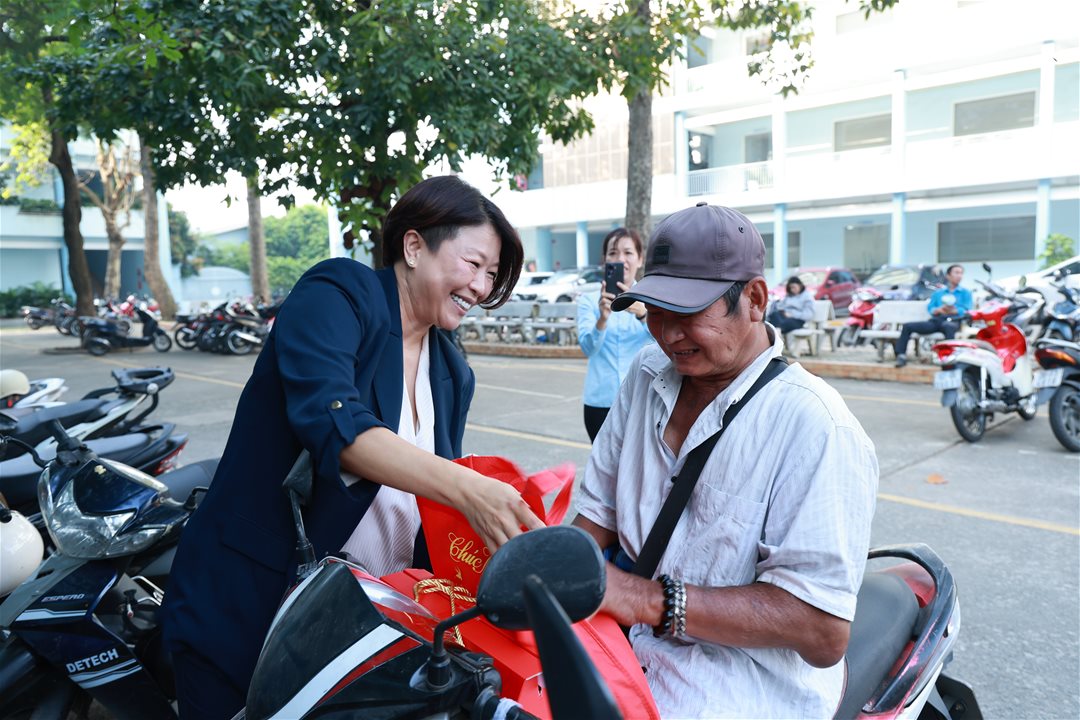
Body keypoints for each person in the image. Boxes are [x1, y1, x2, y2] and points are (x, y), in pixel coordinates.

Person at [161, 176, 544, 720]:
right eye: (473, 263)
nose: (481, 287)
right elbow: (334, 423)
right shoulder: (340, 294)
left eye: (491, 274)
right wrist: (468, 489)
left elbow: (425, 509)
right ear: (414, 246)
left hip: (354, 631)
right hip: (248, 603)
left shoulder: (452, 371)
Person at [571, 202, 878, 719]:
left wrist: (645, 600)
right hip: (624, 655)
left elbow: (823, 630)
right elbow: (596, 513)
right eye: (656, 311)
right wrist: (554, 566)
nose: (667, 334)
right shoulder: (646, 374)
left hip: (738, 689)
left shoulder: (818, 427)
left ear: (754, 299)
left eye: (688, 314)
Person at [577, 227, 655, 441]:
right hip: (600, 401)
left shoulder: (652, 299)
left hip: (641, 400)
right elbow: (587, 349)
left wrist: (644, 315)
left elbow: (665, 345)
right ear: (605, 260)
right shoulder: (589, 301)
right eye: (613, 253)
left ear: (640, 259)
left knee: (640, 461)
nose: (621, 259)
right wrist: (602, 319)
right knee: (601, 461)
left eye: (628, 252)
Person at [894, 264, 971, 368]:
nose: (959, 276)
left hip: (953, 321)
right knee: (908, 326)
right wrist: (937, 310)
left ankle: (948, 359)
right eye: (956, 273)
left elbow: (967, 310)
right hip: (936, 320)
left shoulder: (966, 293)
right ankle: (901, 355)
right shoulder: (939, 293)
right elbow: (931, 307)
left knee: (948, 327)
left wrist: (954, 311)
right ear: (948, 276)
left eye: (961, 273)